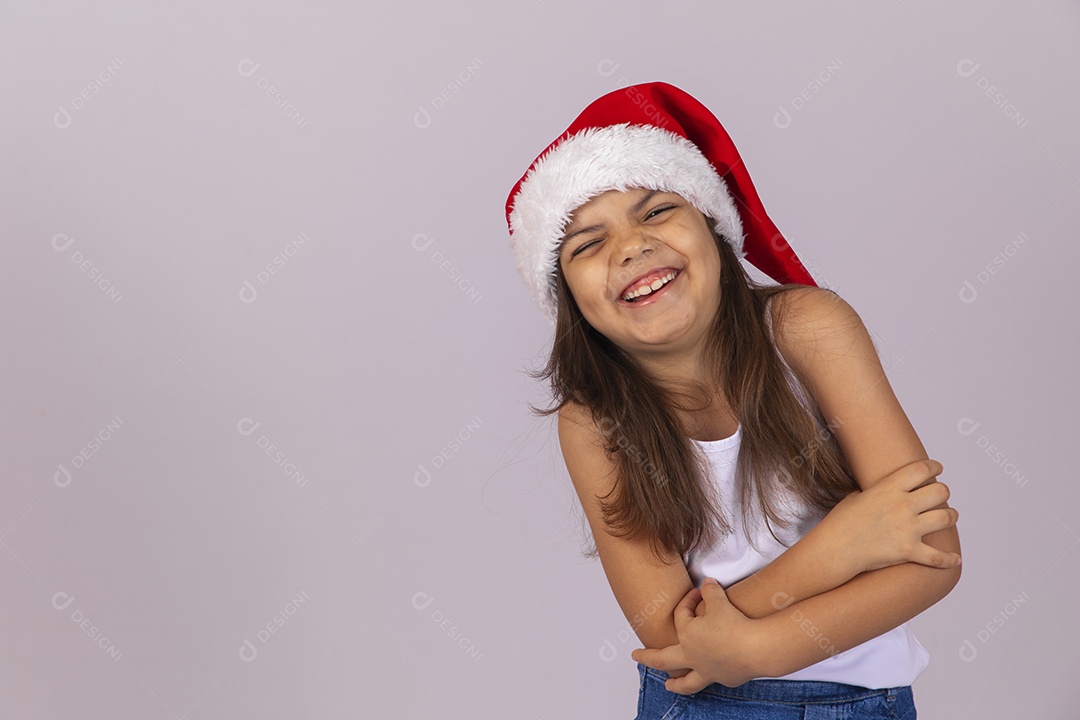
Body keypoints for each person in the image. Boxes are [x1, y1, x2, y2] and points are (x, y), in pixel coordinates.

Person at [503, 81, 962, 719]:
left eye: (656, 210)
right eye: (587, 243)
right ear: (571, 302)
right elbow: (667, 636)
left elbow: (934, 555)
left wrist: (763, 648)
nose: (631, 246)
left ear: (716, 229)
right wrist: (836, 550)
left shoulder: (809, 328)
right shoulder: (593, 421)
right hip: (697, 703)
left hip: (860, 703)